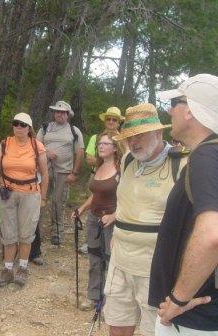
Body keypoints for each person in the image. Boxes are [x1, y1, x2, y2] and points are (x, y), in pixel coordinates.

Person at [102, 103, 187, 336]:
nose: (134, 142)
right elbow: (126, 201)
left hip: (156, 267)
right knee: (117, 324)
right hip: (120, 261)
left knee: (154, 330)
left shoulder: (181, 164)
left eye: (140, 136)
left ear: (159, 133)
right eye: (129, 137)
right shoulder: (128, 160)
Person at [149, 74, 218, 335]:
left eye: (175, 103)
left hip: (195, 317)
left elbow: (212, 235)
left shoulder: (207, 156)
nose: (169, 110)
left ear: (190, 110)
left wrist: (178, 300)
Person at [0, 112, 48, 287]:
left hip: (30, 193)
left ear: (29, 128)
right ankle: (8, 269)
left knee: (26, 233)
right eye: (16, 123)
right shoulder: (5, 144)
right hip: (8, 193)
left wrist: (43, 198)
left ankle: (23, 268)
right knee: (8, 232)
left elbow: (45, 173)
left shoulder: (36, 145)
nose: (19, 127)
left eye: (23, 124)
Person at [71, 130, 123, 311]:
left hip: (111, 220)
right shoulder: (99, 167)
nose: (100, 146)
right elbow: (95, 194)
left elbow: (129, 197)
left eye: (105, 144)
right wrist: (81, 208)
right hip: (94, 218)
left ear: (115, 148)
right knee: (94, 258)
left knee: (111, 259)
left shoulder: (121, 169)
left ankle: (111, 298)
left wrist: (115, 215)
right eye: (99, 143)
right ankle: (93, 296)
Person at [31, 100, 84, 264]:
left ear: (68, 115)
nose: (59, 114)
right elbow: (34, 145)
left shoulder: (74, 131)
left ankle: (57, 232)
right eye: (57, 111)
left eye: (63, 112)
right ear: (54, 113)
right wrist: (46, 152)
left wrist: (74, 173)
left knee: (58, 201)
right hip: (44, 170)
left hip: (64, 171)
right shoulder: (45, 128)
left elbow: (80, 152)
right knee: (38, 200)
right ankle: (34, 232)